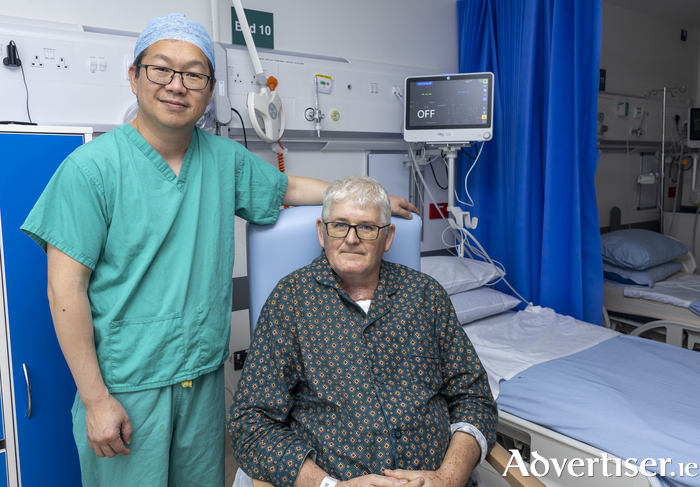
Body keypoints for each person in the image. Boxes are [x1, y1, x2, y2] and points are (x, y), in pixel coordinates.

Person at [20, 14, 417, 487]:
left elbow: (287, 187)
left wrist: (366, 197)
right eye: (161, 70)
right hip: (125, 386)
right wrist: (94, 399)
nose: (176, 85)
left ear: (209, 90)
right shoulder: (89, 171)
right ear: (134, 76)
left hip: (202, 379)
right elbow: (64, 288)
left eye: (194, 74)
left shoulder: (223, 159)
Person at [229, 175, 497, 487]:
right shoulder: (291, 301)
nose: (351, 238)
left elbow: (474, 396)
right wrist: (331, 485)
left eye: (367, 227)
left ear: (388, 237)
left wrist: (449, 478)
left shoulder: (425, 295)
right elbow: (251, 422)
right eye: (339, 225)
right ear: (321, 232)